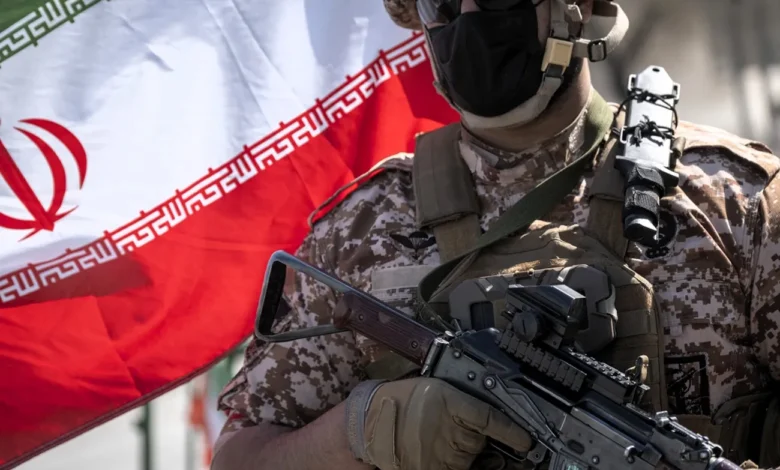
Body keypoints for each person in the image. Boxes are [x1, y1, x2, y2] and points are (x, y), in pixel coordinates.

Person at [210, 1, 780, 469]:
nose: (468, 20)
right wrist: (365, 429)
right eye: (442, 5)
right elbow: (241, 457)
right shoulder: (360, 231)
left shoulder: (734, 203)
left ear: (577, 9)